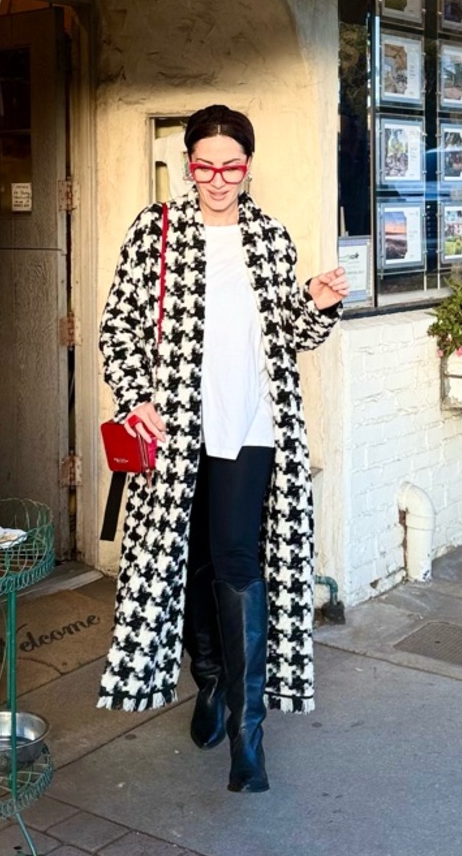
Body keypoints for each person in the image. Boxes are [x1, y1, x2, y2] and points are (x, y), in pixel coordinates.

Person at [97, 104, 349, 793]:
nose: (216, 178)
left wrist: (318, 302)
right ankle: (206, 679)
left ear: (246, 167)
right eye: (204, 165)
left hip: (254, 424)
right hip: (176, 427)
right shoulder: (155, 231)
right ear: (188, 165)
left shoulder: (268, 235)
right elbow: (117, 328)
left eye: (229, 165)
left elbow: (288, 330)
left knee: (237, 559)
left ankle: (248, 730)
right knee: (191, 560)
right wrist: (136, 395)